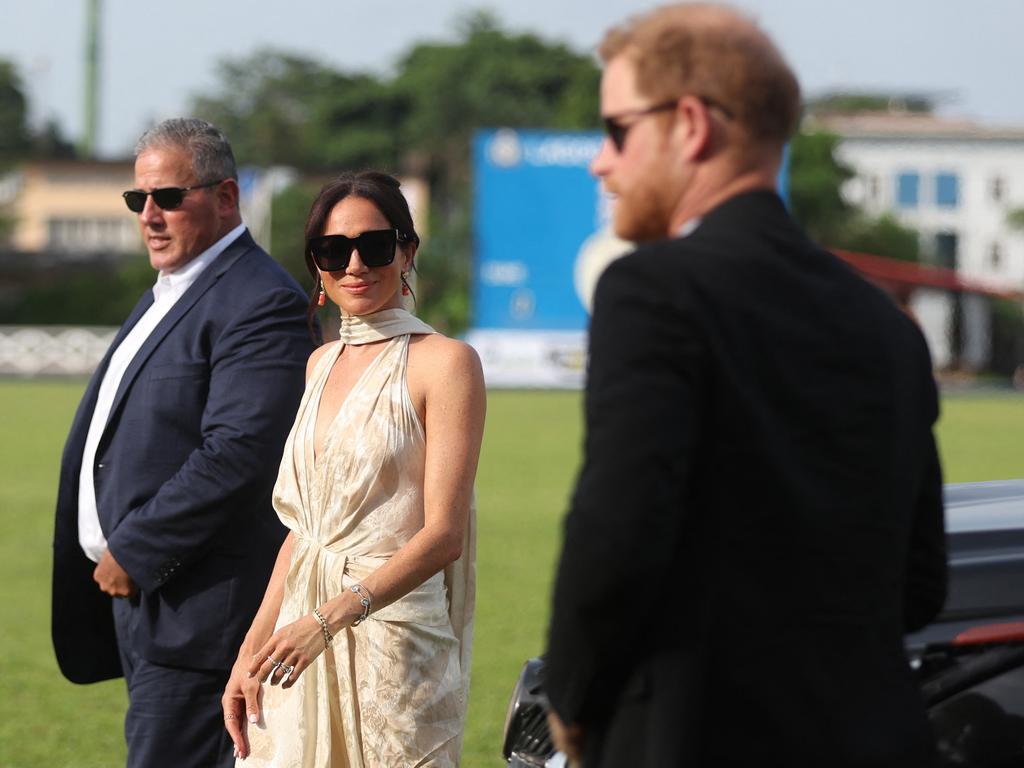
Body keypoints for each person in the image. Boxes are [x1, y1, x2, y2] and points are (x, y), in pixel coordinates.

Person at [544, 5, 947, 767]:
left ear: (690, 125)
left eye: (618, 130)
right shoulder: (887, 324)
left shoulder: (653, 293)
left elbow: (618, 533)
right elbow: (920, 583)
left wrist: (571, 697)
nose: (603, 161)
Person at [51, 118, 312, 768]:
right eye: (137, 199)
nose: (149, 215)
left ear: (226, 197)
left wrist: (135, 550)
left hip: (201, 618)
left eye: (168, 197)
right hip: (152, 606)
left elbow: (240, 454)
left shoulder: (260, 301)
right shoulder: (172, 291)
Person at [221, 171, 485, 767]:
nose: (355, 264)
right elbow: (306, 533)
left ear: (408, 251)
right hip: (295, 643)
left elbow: (443, 535)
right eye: (333, 250)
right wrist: (250, 651)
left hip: (393, 646)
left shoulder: (446, 364)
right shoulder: (319, 363)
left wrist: (330, 618)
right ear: (316, 264)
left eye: (376, 245)